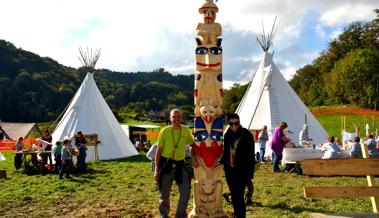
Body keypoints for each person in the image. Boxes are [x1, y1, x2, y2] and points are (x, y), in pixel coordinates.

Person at [154, 108, 194, 218]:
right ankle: (164, 215)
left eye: (178, 116)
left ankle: (180, 215)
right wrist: (156, 170)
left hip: (180, 165)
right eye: (174, 117)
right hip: (166, 164)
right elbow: (158, 151)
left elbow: (192, 145)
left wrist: (193, 158)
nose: (176, 119)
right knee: (164, 194)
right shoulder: (164, 131)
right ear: (170, 118)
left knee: (186, 191)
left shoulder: (186, 130)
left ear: (182, 118)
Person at [222, 113, 255, 218]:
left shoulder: (246, 135)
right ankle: (237, 214)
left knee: (239, 196)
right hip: (230, 171)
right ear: (228, 123)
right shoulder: (227, 135)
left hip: (242, 171)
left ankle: (241, 216)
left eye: (236, 123)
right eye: (231, 123)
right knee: (234, 195)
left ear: (239, 122)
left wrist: (249, 174)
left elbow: (251, 155)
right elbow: (225, 152)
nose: (234, 125)